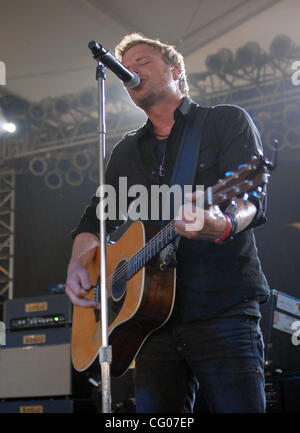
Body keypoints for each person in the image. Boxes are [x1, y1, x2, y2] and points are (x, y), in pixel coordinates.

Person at [66, 33, 270, 413]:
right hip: (151, 324)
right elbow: (95, 218)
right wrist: (79, 262)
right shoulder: (127, 151)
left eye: (142, 61)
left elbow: (251, 201)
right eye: (125, 64)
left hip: (221, 309)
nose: (129, 68)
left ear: (176, 71)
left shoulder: (224, 122)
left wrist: (223, 224)